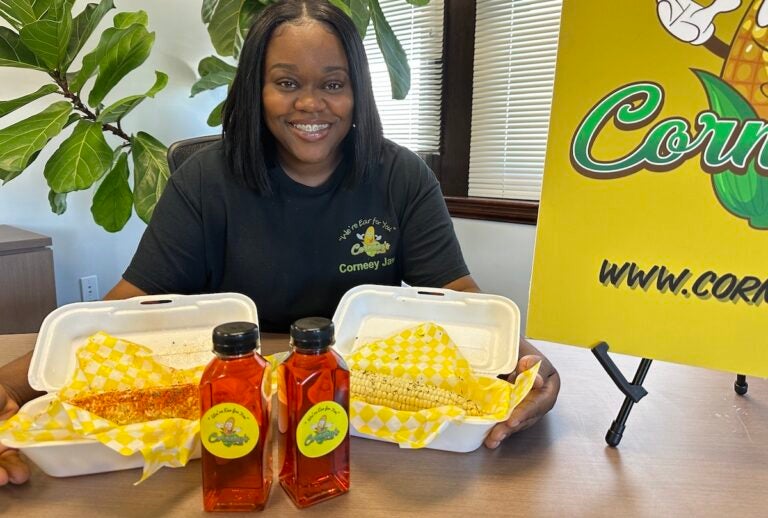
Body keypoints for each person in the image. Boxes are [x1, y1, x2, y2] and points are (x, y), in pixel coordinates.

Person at [0, 0, 559, 485]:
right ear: (257, 88)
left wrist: (531, 366)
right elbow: (126, 307)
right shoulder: (204, 181)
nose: (310, 104)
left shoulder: (401, 177)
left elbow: (461, 296)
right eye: (287, 82)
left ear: (357, 91)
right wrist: (9, 388)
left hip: (359, 421)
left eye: (333, 84)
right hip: (226, 414)